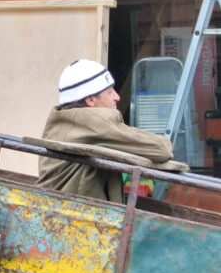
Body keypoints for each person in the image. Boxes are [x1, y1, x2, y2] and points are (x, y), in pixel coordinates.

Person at [37, 59, 173, 201]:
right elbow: (162, 149)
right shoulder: (93, 122)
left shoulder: (64, 119)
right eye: (109, 92)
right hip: (79, 215)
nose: (117, 97)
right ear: (91, 100)